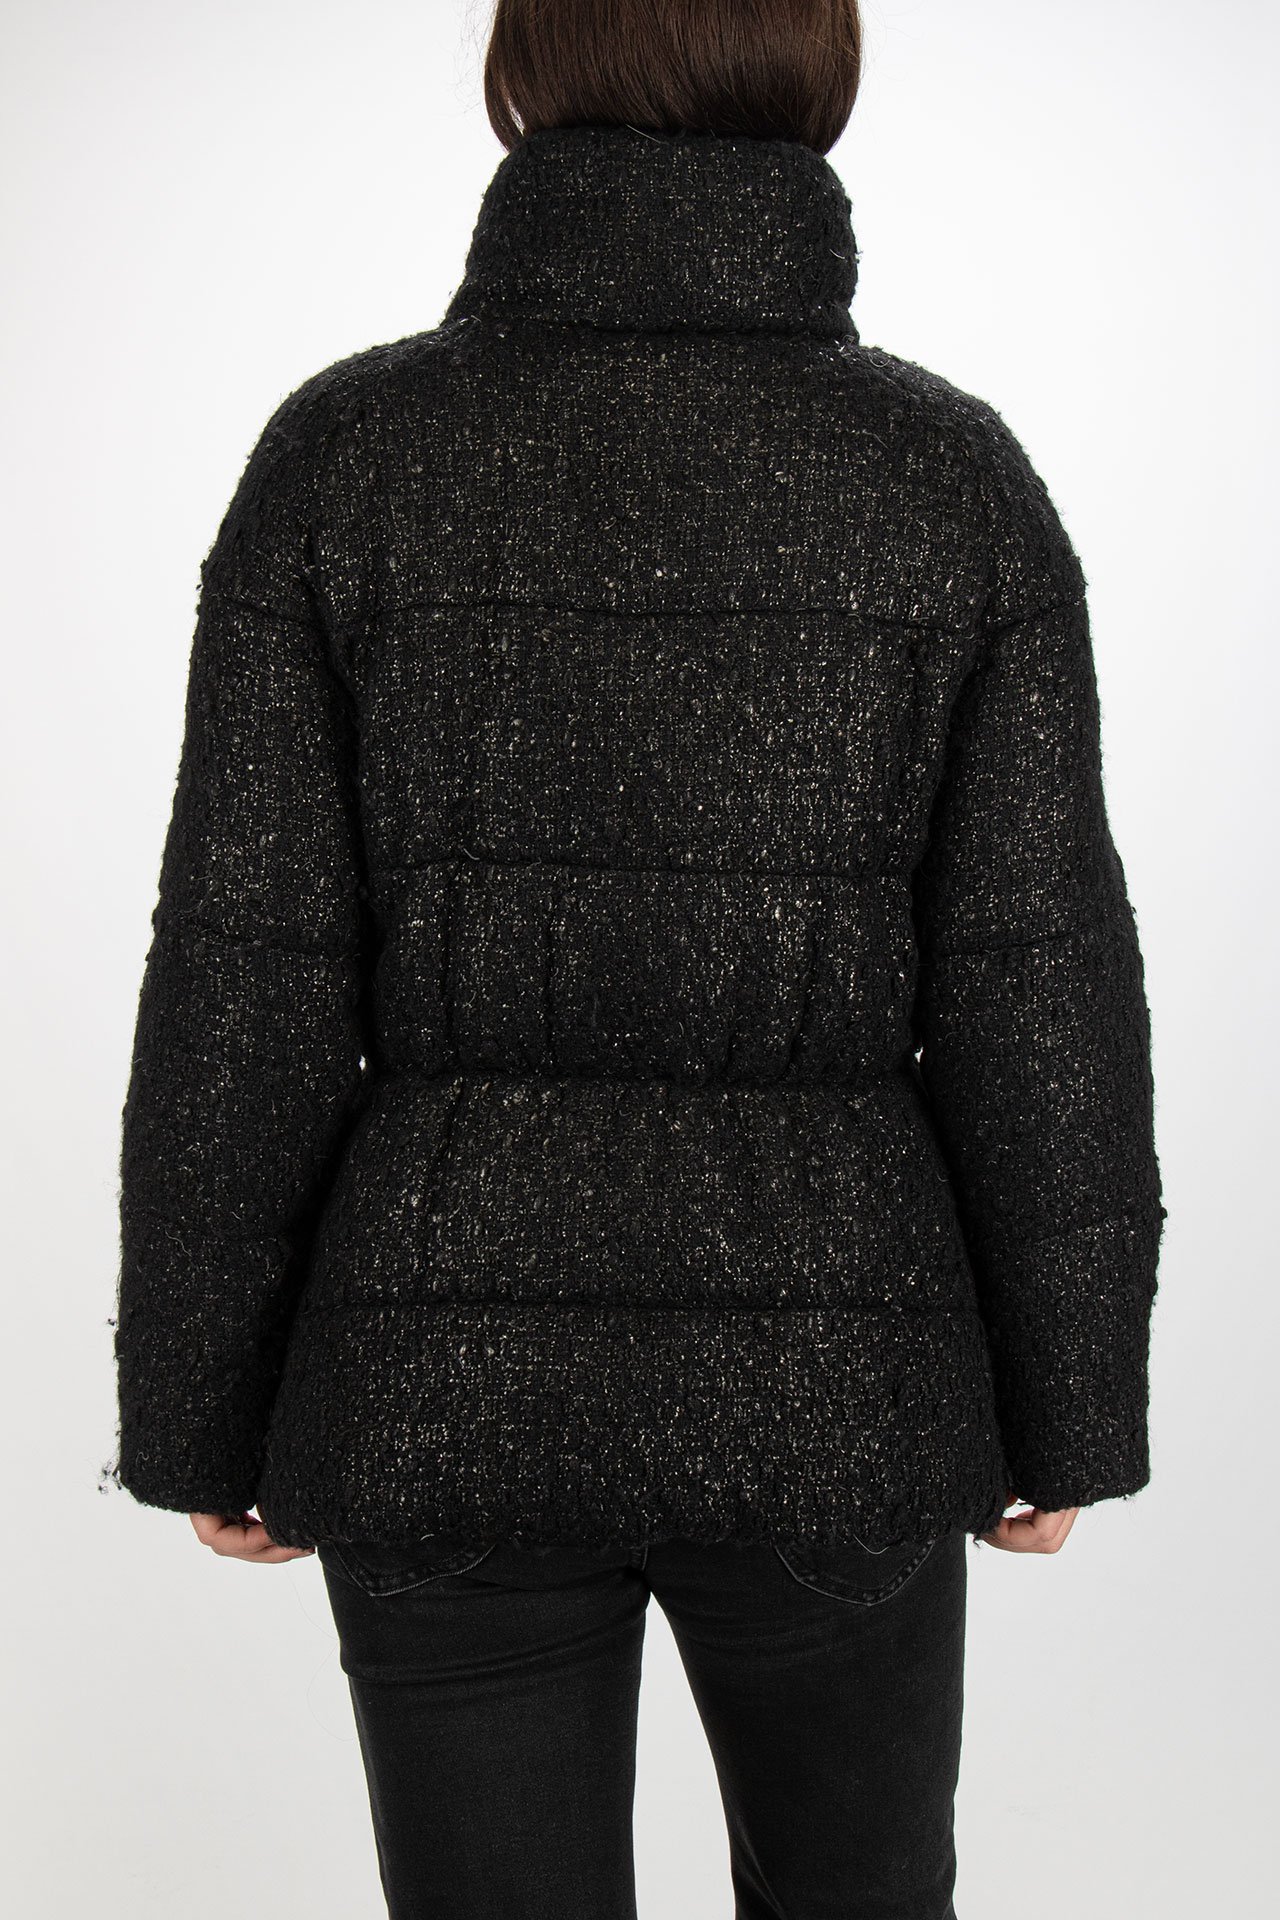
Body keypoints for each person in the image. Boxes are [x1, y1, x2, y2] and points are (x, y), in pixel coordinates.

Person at [109, 2, 1165, 1914]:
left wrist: (202, 1399)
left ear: (527, 66)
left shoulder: (348, 454)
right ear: (821, 65)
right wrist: (1070, 1396)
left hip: (441, 1365)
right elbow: (1037, 974)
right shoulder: (947, 476)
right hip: (843, 1367)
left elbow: (246, 968)